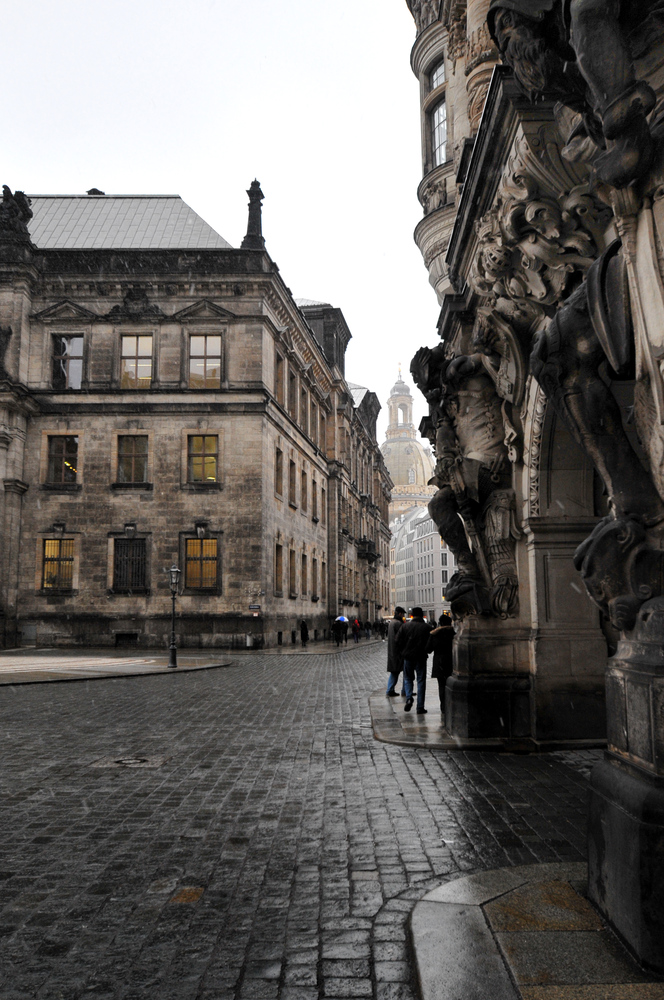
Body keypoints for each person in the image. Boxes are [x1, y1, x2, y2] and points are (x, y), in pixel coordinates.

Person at [395, 607, 433, 714]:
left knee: (408, 679)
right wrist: (427, 650)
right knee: (421, 681)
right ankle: (420, 706)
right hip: (421, 657)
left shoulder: (405, 626)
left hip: (408, 656)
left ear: (412, 615)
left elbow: (397, 640)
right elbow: (431, 643)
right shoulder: (427, 627)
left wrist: (403, 651)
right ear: (422, 615)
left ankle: (409, 698)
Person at [427, 613, 455, 718]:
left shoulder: (435, 634)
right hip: (451, 662)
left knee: (441, 686)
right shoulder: (454, 634)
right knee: (451, 685)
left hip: (439, 663)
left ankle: (443, 707)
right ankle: (450, 705)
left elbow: (428, 649)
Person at [386, 607, 406, 697]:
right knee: (397, 671)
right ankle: (391, 689)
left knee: (394, 671)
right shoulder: (398, 623)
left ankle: (390, 689)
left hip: (392, 650)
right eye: (403, 614)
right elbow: (402, 637)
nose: (403, 616)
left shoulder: (391, 622)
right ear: (400, 614)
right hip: (398, 651)